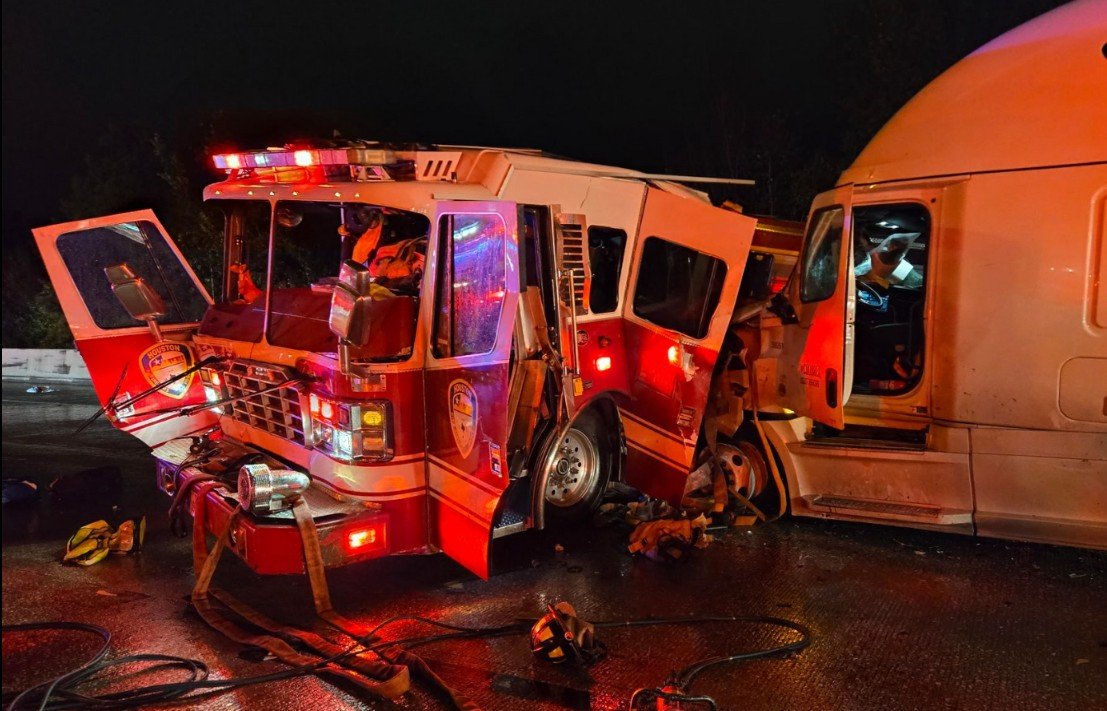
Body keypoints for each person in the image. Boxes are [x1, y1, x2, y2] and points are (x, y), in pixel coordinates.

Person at [854, 232, 924, 288]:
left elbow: (857, 272)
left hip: (869, 287)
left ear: (891, 246)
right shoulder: (900, 264)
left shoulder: (874, 256)